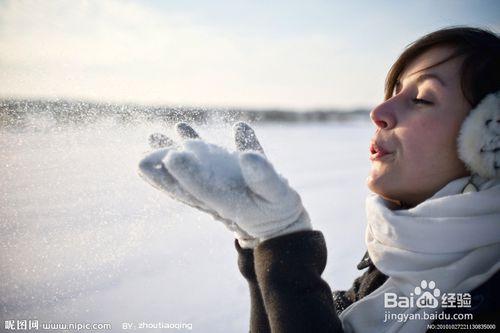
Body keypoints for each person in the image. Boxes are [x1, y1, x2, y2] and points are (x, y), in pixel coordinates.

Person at [138, 26, 500, 332]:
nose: (379, 112)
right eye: (393, 93)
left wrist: (284, 243)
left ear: (489, 139)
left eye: (421, 98)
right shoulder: (390, 272)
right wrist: (261, 248)